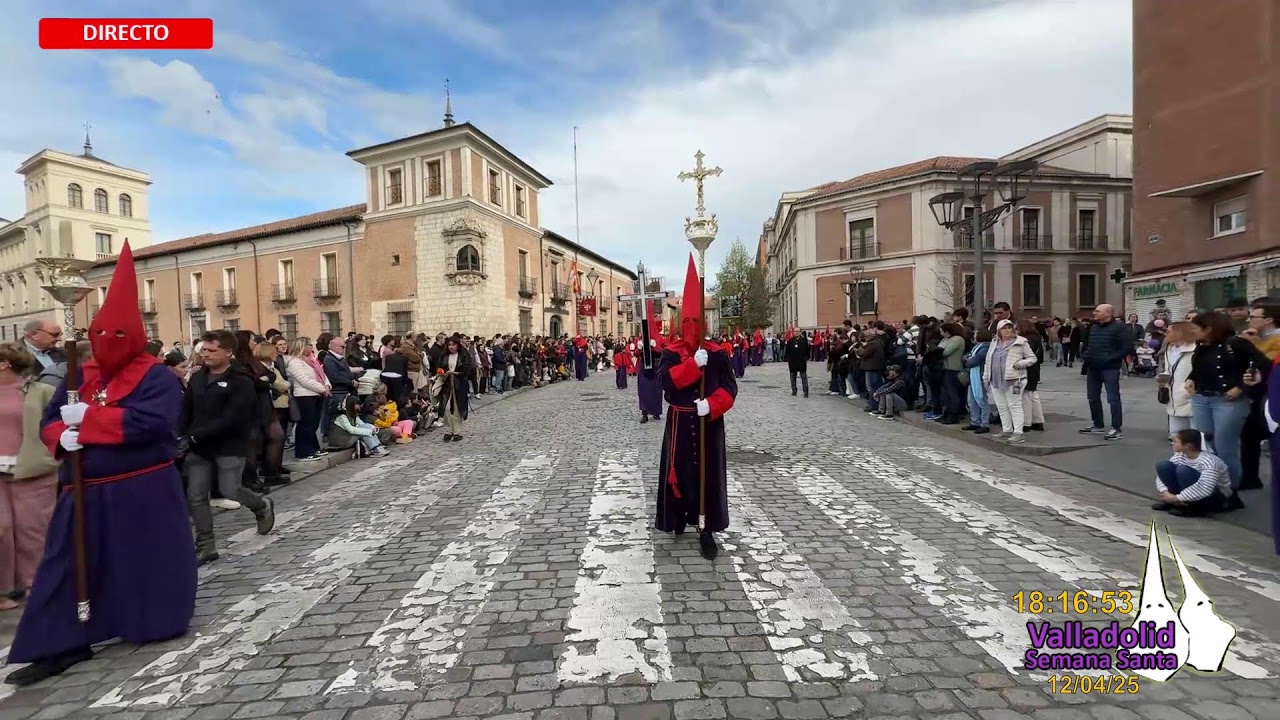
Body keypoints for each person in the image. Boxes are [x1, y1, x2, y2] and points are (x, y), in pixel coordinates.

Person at [7, 242, 196, 686]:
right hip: (83, 488)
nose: (106, 345)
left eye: (116, 336)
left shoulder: (157, 377)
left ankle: (148, 620)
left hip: (141, 487)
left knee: (140, 561)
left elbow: (153, 423)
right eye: (100, 336)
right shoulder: (78, 374)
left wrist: (89, 420)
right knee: (65, 564)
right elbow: (50, 421)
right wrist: (63, 434)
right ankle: (59, 643)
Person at [655, 255, 737, 560]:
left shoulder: (717, 353)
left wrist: (712, 405)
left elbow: (730, 387)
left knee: (707, 476)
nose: (690, 327)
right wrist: (691, 367)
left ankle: (707, 528)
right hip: (679, 422)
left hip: (708, 424)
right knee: (680, 473)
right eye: (685, 322)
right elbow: (665, 382)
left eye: (695, 322)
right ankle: (676, 518)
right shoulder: (671, 353)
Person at [180, 330, 276, 566]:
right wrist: (181, 433)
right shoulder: (198, 378)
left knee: (230, 489)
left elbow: (232, 417)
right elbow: (186, 409)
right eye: (204, 349)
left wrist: (194, 436)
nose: (206, 355)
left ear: (228, 352)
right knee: (197, 495)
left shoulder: (240, 380)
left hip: (229, 444)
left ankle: (261, 506)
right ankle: (206, 543)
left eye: (212, 350)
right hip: (199, 446)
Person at [0, 344, 60, 612]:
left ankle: (36, 586)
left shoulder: (41, 392)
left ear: (4, 364)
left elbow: (59, 425)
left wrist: (53, 458)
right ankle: (4, 590)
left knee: (33, 530)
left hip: (32, 469)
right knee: (1, 529)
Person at [1152, 429, 1237, 517]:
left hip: (1216, 498)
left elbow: (1205, 488)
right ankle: (1175, 503)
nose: (1172, 444)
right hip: (1190, 493)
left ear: (1187, 446)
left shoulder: (1209, 462)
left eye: (1175, 441)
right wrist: (1165, 492)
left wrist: (1176, 498)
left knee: (1183, 471)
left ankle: (1195, 507)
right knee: (1163, 466)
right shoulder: (1180, 455)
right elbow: (1161, 477)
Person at [982, 319, 1037, 444]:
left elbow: (1032, 358)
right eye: (1004, 328)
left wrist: (1020, 364)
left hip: (1014, 379)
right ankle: (1007, 429)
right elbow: (988, 361)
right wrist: (986, 378)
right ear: (999, 331)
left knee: (1014, 405)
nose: (1007, 330)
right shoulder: (994, 343)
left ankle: (1018, 432)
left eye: (1009, 327)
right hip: (996, 379)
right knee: (1001, 406)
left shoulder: (1020, 342)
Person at [1080, 303, 1129, 440]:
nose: (1094, 313)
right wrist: (1086, 356)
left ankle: (1116, 428)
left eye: (1097, 311)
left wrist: (1110, 358)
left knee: (1113, 398)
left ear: (1108, 313)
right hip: (1093, 367)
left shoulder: (1120, 328)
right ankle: (1098, 424)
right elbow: (1089, 344)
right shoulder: (1094, 327)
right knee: (1092, 397)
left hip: (1110, 367)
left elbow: (1126, 347)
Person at [432, 335, 473, 441]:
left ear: (457, 345)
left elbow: (467, 370)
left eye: (453, 345)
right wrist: (441, 373)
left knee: (456, 408)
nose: (451, 347)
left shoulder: (463, 356)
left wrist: (454, 373)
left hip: (458, 385)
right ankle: (449, 430)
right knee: (445, 407)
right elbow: (440, 367)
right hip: (447, 384)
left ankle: (457, 431)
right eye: (449, 345)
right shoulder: (444, 355)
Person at [637, 338, 663, 424]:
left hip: (655, 371)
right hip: (644, 371)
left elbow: (661, 352)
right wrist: (641, 348)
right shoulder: (640, 345)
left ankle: (656, 412)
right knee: (644, 392)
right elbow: (637, 354)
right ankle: (644, 414)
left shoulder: (656, 346)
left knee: (656, 392)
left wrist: (654, 349)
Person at [784, 329, 810, 398]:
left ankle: (806, 391)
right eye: (795, 331)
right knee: (792, 377)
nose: (796, 333)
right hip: (793, 362)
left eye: (798, 331)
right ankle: (794, 390)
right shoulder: (790, 341)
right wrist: (788, 358)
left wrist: (806, 358)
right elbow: (787, 351)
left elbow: (807, 350)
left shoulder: (804, 341)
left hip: (802, 362)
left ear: (800, 332)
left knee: (804, 377)